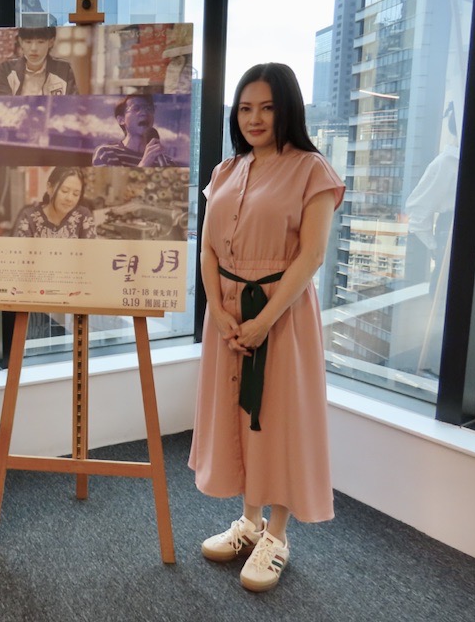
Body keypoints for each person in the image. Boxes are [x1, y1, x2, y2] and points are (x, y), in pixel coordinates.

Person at [189, 63, 344, 593]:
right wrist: (219, 311)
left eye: (267, 107)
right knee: (238, 415)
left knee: (278, 418)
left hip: (282, 314)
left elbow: (312, 256)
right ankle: (249, 523)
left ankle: (277, 534)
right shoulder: (225, 171)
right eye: (245, 108)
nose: (254, 118)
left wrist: (262, 321)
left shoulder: (312, 170)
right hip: (228, 314)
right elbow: (207, 249)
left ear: (288, 110)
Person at [92, 94, 178, 167]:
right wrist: (144, 163)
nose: (144, 113)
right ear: (121, 120)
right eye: (136, 108)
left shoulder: (169, 163)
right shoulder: (106, 153)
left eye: (149, 109)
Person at [12, 166, 97, 238]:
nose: (69, 198)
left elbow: (91, 251)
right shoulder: (29, 217)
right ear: (49, 188)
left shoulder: (83, 216)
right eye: (64, 191)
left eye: (76, 194)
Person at [0, 26, 78, 96]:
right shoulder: (6, 70)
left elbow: (72, 106)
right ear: (21, 42)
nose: (33, 48)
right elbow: (2, 106)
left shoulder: (65, 70)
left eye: (40, 42)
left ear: (51, 42)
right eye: (28, 42)